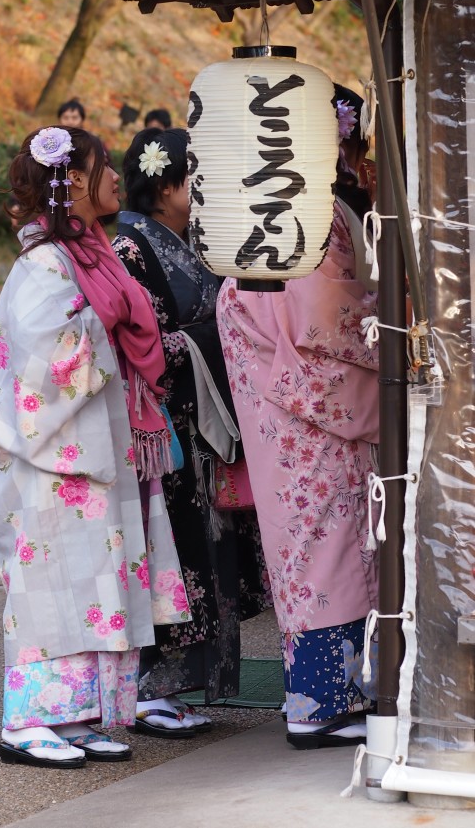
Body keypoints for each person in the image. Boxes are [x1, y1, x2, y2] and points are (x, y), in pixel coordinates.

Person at [0, 126, 189, 769]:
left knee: (96, 578)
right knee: (51, 579)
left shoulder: (89, 253)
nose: (116, 180)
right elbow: (42, 358)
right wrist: (109, 327)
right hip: (52, 456)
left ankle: (74, 714)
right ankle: (27, 720)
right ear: (72, 182)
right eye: (104, 168)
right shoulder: (44, 262)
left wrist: (108, 327)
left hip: (93, 442)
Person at [217, 85, 379, 750]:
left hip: (289, 402)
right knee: (322, 547)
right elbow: (322, 314)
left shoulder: (271, 208)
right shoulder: (297, 214)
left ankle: (331, 695)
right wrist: (383, 314)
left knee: (323, 545)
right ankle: (315, 703)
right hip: (304, 409)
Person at [113, 128, 271, 738]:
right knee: (170, 553)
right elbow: (145, 343)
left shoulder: (187, 241)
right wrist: (224, 332)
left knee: (206, 555)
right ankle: (152, 686)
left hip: (200, 421)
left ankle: (182, 683)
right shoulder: (131, 248)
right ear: (166, 183)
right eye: (194, 178)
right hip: (165, 424)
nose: (202, 191)